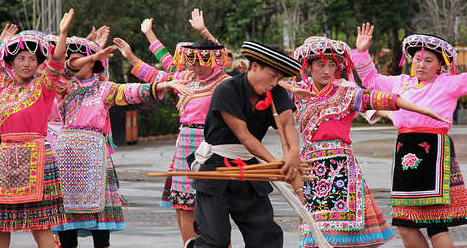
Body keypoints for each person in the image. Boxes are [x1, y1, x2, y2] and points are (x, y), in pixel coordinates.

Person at [286, 36, 448, 247]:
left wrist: (420, 109)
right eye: (320, 65)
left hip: (341, 167)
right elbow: (269, 86)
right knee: (313, 231)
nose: (327, 70)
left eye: (332, 65)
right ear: (308, 66)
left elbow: (384, 99)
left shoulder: (347, 92)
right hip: (309, 169)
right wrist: (289, 89)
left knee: (342, 234)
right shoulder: (296, 93)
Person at [51, 36, 178, 248]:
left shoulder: (105, 89)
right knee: (66, 225)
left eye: (82, 59)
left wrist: (166, 83)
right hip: (65, 161)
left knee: (101, 230)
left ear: (93, 62)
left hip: (95, 160)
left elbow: (133, 91)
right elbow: (61, 70)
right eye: (73, 61)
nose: (76, 64)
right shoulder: (63, 88)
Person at [114, 24, 230, 245]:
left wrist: (204, 31)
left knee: (211, 204)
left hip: (211, 147)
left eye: (203, 61)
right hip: (184, 144)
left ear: (214, 60)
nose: (197, 66)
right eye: (193, 61)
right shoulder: (185, 77)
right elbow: (156, 74)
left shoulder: (225, 83)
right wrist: (130, 55)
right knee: (183, 203)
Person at [353, 23, 467, 248]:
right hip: (404, 150)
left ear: (440, 65)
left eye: (428, 60)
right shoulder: (401, 82)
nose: (421, 64)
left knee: (436, 223)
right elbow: (371, 81)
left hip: (433, 151)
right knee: (405, 222)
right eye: (417, 59)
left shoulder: (448, 84)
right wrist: (362, 52)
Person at [187, 41, 302, 248]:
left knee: (265, 237)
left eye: (279, 78)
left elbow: (287, 124)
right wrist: (275, 163)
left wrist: (293, 153)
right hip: (216, 166)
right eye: (273, 76)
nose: (275, 83)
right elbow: (244, 136)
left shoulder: (276, 92)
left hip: (248, 167)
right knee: (215, 240)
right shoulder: (228, 89)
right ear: (255, 66)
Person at [0, 9, 74, 248]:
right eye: (20, 58)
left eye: (32, 59)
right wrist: (3, 42)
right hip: (4, 159)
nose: (26, 63)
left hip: (37, 158)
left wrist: (62, 34)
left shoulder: (43, 85)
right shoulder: (3, 86)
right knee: (1, 224)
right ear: (11, 62)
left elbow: (56, 62)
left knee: (41, 224)